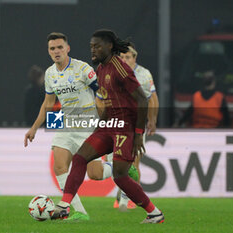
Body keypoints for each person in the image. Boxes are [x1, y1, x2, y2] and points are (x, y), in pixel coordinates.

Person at [51, 29, 164, 224]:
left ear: (109, 46)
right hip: (109, 124)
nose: (93, 50)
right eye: (91, 47)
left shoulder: (120, 69)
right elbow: (108, 102)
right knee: (79, 158)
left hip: (124, 127)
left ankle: (154, 213)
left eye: (97, 46)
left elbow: (143, 100)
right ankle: (64, 206)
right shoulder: (101, 70)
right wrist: (99, 126)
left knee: (120, 177)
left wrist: (138, 134)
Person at [24, 32, 112, 221]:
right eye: (52, 48)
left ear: (67, 48)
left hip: (88, 123)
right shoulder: (50, 73)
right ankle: (79, 212)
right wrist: (34, 128)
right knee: (59, 166)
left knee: (95, 174)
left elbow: (103, 94)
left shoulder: (82, 68)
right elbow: (48, 103)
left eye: (59, 47)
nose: (56, 51)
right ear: (49, 51)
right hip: (66, 123)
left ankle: (119, 166)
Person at [112, 45, 159, 210]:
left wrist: (152, 120)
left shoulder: (143, 75)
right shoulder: (114, 72)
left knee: (133, 162)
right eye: (122, 57)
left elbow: (152, 98)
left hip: (135, 124)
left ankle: (132, 199)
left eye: (128, 57)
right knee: (118, 163)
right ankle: (124, 195)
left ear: (135, 58)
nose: (124, 60)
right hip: (117, 123)